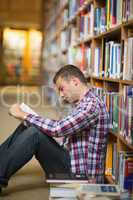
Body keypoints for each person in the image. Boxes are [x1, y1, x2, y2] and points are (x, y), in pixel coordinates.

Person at [0, 65, 109, 192]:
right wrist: (29, 119)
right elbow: (65, 132)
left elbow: (58, 129)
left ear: (75, 82)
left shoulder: (91, 106)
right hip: (72, 160)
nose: (61, 95)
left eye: (62, 89)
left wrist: (24, 114)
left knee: (35, 133)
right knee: (27, 126)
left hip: (80, 176)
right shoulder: (84, 103)